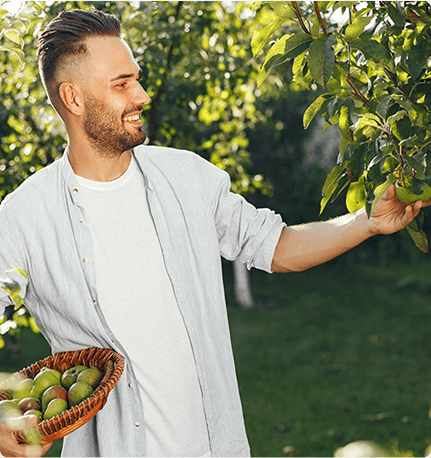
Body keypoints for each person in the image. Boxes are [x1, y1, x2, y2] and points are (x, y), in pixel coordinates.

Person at [0, 8, 428, 458]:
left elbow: (275, 246)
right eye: (122, 83)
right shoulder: (26, 217)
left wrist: (368, 221)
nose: (142, 95)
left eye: (138, 79)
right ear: (73, 97)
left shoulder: (188, 178)